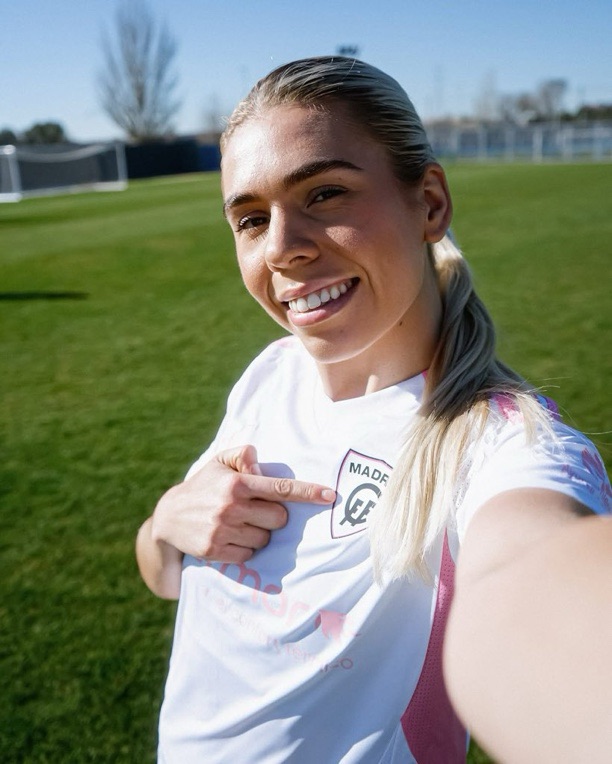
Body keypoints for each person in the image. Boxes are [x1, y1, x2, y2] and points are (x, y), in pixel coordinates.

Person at [136, 56, 612, 763]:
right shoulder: (271, 375)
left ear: (430, 203)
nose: (281, 249)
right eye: (251, 219)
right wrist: (165, 528)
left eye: (325, 193)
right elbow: (167, 574)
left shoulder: (502, 446)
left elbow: (534, 571)